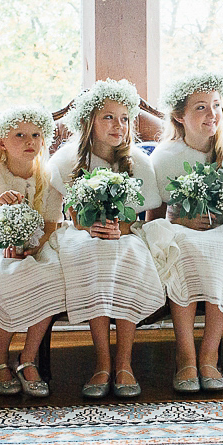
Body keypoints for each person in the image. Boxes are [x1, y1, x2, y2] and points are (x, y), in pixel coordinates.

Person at [48, 79, 166, 399]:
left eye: (125, 118)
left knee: (126, 254)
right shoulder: (71, 159)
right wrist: (89, 229)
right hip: (82, 233)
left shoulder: (136, 161)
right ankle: (102, 360)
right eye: (109, 117)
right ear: (89, 122)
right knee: (92, 254)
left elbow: (137, 216)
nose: (119, 125)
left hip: (125, 233)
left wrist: (120, 230)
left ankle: (124, 362)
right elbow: (69, 213)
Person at [139, 71, 223, 393]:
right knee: (183, 249)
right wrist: (182, 222)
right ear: (179, 116)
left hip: (222, 231)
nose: (212, 114)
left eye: (216, 105)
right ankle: (185, 354)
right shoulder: (165, 157)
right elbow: (153, 218)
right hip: (180, 231)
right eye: (201, 107)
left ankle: (209, 354)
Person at [0, 106, 64, 398]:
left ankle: (28, 359)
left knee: (53, 274)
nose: (29, 140)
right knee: (9, 272)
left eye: (36, 135)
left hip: (39, 243)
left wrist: (32, 248)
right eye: (19, 135)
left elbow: (51, 226)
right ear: (2, 142)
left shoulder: (49, 177)